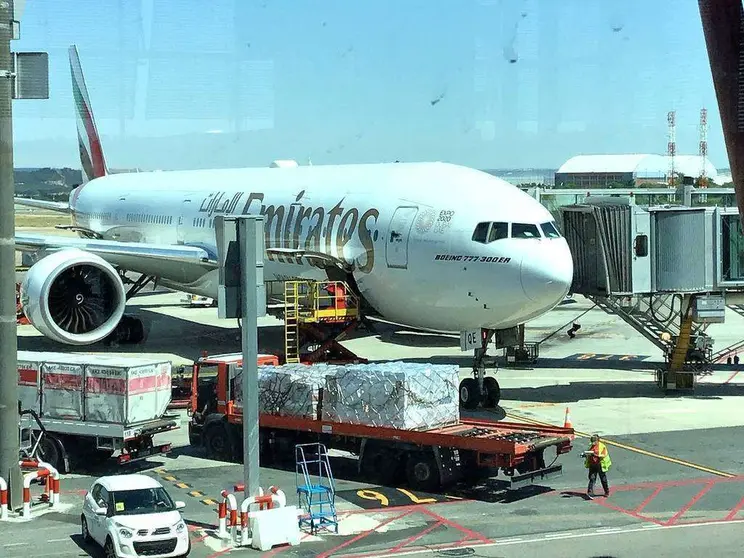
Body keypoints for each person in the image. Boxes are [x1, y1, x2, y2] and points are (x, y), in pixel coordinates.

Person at [584, 434, 611, 499]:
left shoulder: (602, 446)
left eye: (594, 442)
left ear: (597, 441)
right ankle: (590, 492)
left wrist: (595, 454)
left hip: (600, 464)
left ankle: (606, 491)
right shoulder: (591, 446)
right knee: (592, 478)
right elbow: (589, 453)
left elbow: (603, 455)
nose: (593, 443)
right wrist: (585, 454)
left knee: (603, 479)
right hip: (592, 464)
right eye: (592, 442)